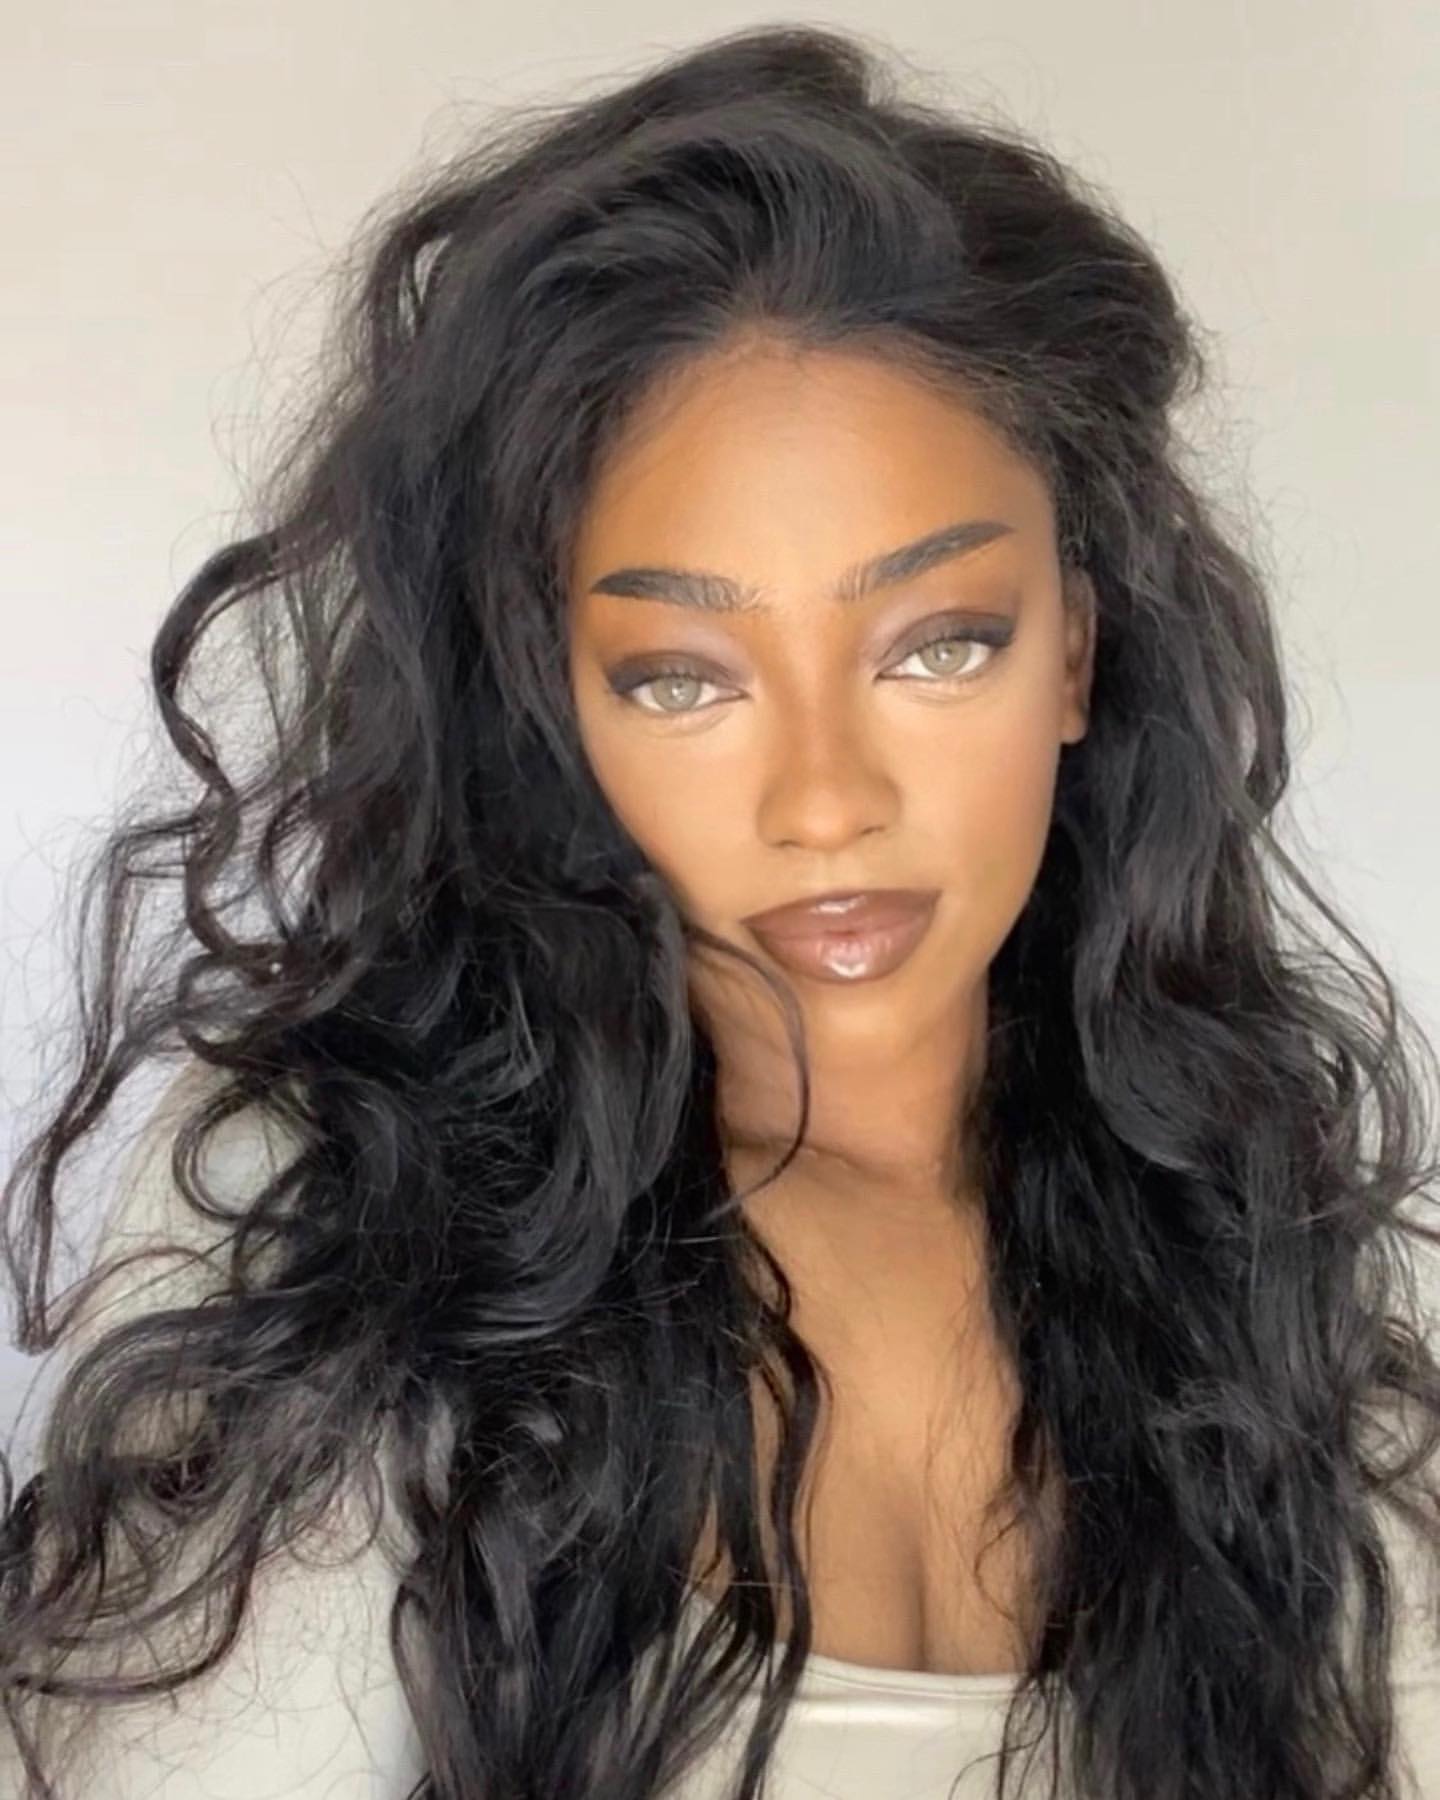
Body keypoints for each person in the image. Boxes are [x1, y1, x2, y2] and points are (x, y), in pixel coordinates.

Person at [3, 21, 1439, 1800]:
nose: (823, 800)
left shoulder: (1278, 1242)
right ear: (550, 710)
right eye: (682, 676)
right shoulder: (338, 1220)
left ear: (1075, 646)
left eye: (938, 644)